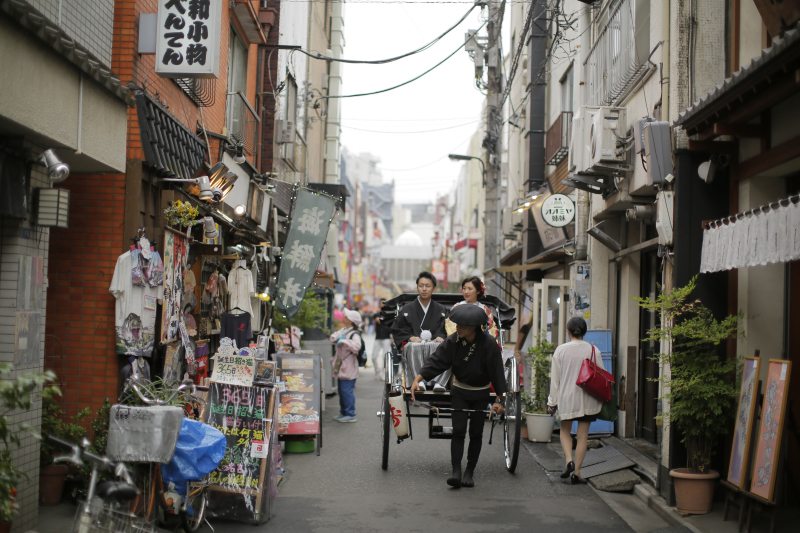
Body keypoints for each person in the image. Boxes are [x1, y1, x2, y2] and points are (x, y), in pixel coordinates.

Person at [411, 304, 506, 489]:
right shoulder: (453, 341)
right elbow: (437, 360)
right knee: (458, 430)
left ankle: (469, 471)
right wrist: (419, 378)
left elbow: (497, 373)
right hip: (460, 391)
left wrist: (499, 399)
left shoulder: (488, 344)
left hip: (481, 393)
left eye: (460, 326)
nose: (457, 328)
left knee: (476, 433)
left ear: (471, 327)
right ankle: (456, 471)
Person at [547, 317, 605, 484]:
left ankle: (568, 461)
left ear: (568, 331)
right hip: (588, 400)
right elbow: (601, 374)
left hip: (567, 399)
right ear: (585, 332)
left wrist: (552, 402)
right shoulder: (594, 350)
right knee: (582, 437)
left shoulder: (561, 350)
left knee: (565, 432)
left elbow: (555, 381)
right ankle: (577, 473)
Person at [392, 271, 449, 391]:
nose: (424, 289)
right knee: (412, 347)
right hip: (415, 344)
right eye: (421, 286)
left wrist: (440, 336)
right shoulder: (407, 308)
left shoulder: (441, 309)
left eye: (428, 286)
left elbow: (446, 327)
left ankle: (439, 382)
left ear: (433, 288)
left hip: (434, 343)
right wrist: (410, 337)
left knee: (445, 347)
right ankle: (418, 381)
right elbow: (399, 328)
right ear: (417, 287)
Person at [445, 276, 500, 347]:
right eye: (464, 288)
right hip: (458, 343)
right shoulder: (457, 307)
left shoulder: (484, 309)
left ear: (478, 291)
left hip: (480, 344)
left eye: (470, 289)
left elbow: (491, 330)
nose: (466, 292)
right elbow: (450, 327)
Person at [329, 308, 363, 423]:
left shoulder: (354, 334)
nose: (343, 317)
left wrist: (344, 341)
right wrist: (338, 338)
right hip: (342, 367)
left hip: (349, 368)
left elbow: (357, 347)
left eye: (346, 316)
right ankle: (343, 412)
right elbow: (332, 337)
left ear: (350, 320)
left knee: (346, 391)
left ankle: (350, 413)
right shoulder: (344, 331)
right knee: (342, 390)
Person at [372, 299, 392, 381]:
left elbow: (392, 325)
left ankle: (384, 373)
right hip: (378, 338)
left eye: (384, 303)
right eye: (381, 303)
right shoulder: (377, 314)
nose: (383, 304)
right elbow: (378, 321)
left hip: (387, 338)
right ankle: (377, 371)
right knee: (373, 357)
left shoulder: (390, 314)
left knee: (386, 357)